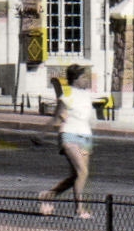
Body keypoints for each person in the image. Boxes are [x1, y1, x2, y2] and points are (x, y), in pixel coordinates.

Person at [39, 63, 97, 219]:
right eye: (83, 77)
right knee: (82, 172)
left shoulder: (86, 94)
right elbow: (57, 116)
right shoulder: (67, 94)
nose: (86, 80)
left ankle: (48, 195)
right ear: (75, 79)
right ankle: (79, 210)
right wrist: (42, 134)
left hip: (85, 136)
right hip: (69, 135)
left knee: (76, 176)